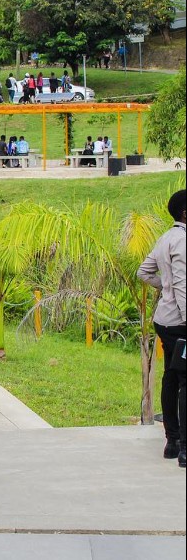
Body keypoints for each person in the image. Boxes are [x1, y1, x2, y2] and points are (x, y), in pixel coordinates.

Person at [137, 190, 186, 468]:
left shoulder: (165, 238)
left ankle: (172, 441)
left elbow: (144, 272)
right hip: (181, 323)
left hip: (164, 320)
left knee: (171, 376)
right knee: (185, 381)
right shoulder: (183, 241)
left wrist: (163, 288)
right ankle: (185, 450)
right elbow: (182, 284)